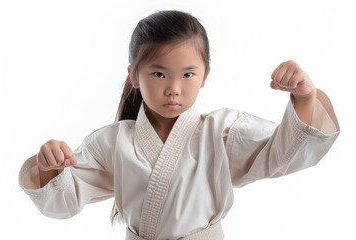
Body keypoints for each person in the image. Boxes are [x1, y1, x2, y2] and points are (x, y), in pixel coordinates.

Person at [19, 10, 340, 240]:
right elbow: (62, 201)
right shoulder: (111, 143)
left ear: (205, 75)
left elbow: (280, 155)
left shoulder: (223, 131)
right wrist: (51, 165)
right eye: (158, 73)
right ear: (134, 75)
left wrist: (305, 97)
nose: (173, 87)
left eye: (187, 74)